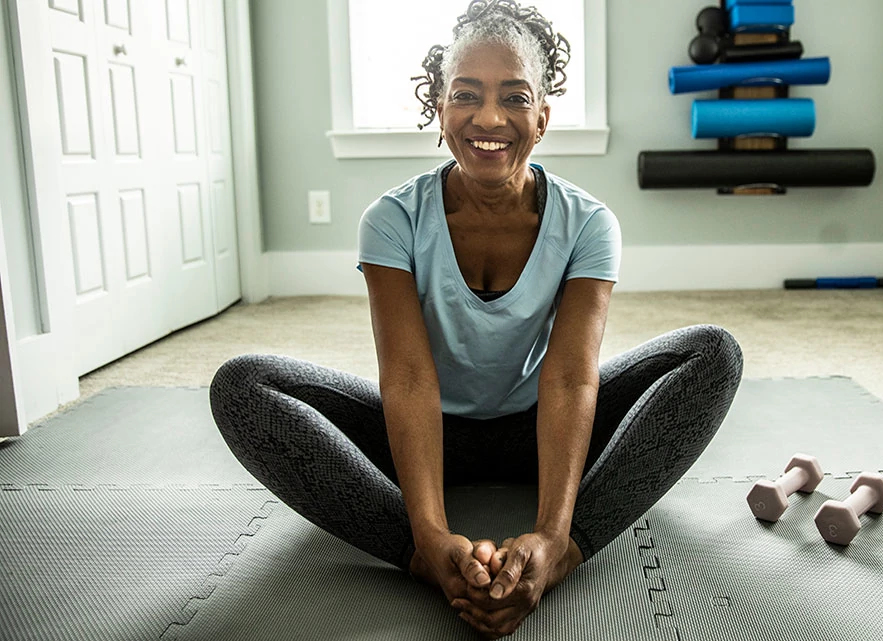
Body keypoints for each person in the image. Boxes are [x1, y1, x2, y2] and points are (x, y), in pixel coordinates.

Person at [209, 1, 743, 637]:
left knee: (714, 353)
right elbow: (407, 378)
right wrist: (432, 535)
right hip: (424, 434)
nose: (490, 118)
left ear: (542, 118)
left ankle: (565, 555)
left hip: (539, 428)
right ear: (439, 106)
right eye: (467, 95)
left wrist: (552, 533)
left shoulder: (589, 224)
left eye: (515, 98)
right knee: (243, 386)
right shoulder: (392, 221)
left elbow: (571, 379)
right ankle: (424, 559)